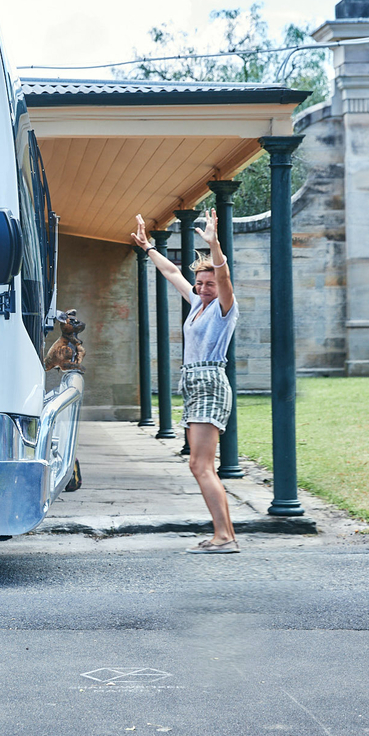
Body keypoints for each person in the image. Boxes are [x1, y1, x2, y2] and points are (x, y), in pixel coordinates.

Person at [131, 209, 240, 553]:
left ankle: (224, 537)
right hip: (193, 385)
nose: (204, 288)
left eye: (210, 283)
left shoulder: (225, 308)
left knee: (200, 465)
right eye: (201, 283)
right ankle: (225, 535)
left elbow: (223, 276)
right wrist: (148, 247)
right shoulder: (196, 303)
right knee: (200, 465)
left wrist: (214, 244)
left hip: (209, 384)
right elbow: (172, 272)